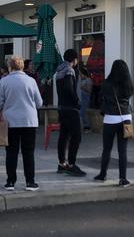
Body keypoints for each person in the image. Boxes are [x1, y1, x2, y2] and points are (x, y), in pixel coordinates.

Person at [0, 56, 43, 192]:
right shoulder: (31, 81)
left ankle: (10, 181)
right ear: (22, 66)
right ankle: (30, 182)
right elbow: (39, 103)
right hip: (29, 121)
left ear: (10, 66)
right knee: (28, 152)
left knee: (11, 152)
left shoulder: (4, 81)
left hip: (10, 121)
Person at [94, 60, 134, 187]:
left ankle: (102, 174)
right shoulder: (128, 83)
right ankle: (123, 179)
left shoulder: (106, 83)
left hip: (110, 118)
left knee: (107, 148)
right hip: (126, 118)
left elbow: (100, 98)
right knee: (123, 150)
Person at [55, 49, 85, 177]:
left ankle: (62, 163)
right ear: (74, 59)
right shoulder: (69, 70)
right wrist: (76, 101)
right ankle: (71, 164)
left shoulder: (59, 71)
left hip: (62, 107)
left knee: (63, 136)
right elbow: (69, 87)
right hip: (71, 108)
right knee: (76, 136)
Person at [78, 67, 93, 132]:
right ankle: (85, 126)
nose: (80, 76)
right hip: (82, 99)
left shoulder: (88, 80)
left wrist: (83, 87)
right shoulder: (82, 80)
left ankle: (87, 126)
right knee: (82, 113)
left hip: (86, 98)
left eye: (81, 74)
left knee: (83, 113)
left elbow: (89, 90)